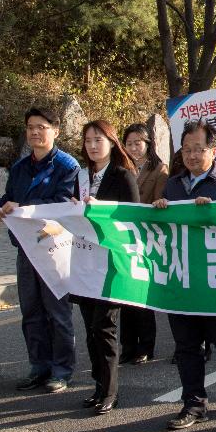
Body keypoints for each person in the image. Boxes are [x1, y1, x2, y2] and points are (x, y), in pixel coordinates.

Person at [152, 120, 216, 430]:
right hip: (182, 276)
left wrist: (214, 214)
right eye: (186, 150)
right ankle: (193, 404)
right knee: (186, 344)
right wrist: (158, 209)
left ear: (214, 150)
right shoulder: (173, 184)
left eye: (199, 149)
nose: (192, 156)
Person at [0, 107, 81, 394]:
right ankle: (38, 367)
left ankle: (62, 371)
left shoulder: (68, 166)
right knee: (31, 312)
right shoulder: (19, 167)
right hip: (26, 249)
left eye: (42, 127)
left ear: (56, 131)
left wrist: (24, 209)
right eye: (30, 127)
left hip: (54, 248)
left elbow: (62, 203)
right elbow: (8, 198)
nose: (35, 132)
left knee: (58, 312)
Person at [74, 120, 140, 414]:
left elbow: (133, 218)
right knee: (90, 328)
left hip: (112, 261)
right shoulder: (80, 175)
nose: (92, 145)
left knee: (105, 327)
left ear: (112, 143)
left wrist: (100, 208)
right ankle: (98, 385)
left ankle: (111, 391)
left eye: (98, 139)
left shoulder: (123, 175)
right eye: (88, 140)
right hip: (85, 259)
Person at [119, 123, 167, 365]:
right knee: (123, 294)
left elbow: (159, 203)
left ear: (149, 144)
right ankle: (127, 345)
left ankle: (145, 345)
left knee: (142, 294)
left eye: (138, 142)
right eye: (129, 143)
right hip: (121, 238)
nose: (134, 147)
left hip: (147, 238)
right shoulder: (119, 169)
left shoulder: (159, 170)